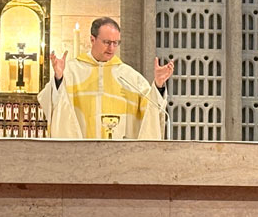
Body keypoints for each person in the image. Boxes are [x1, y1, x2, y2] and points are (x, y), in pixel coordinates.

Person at [38, 17, 174, 139]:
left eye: (116, 43)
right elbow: (52, 103)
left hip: (117, 159)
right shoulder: (72, 71)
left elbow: (152, 109)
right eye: (107, 42)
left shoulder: (128, 76)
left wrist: (159, 85)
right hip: (80, 156)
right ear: (92, 39)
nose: (112, 48)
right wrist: (58, 78)